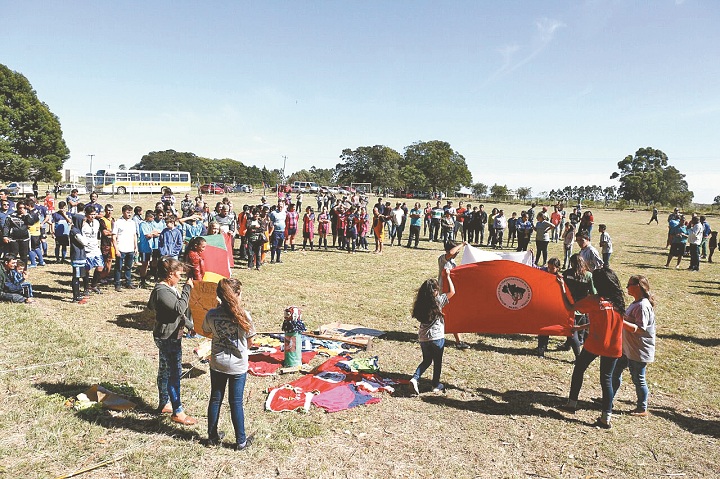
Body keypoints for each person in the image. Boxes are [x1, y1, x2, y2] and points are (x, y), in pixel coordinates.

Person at [558, 268, 626, 429]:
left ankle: (571, 404)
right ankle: (606, 417)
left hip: (595, 344)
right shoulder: (618, 301)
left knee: (579, 369)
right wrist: (583, 326)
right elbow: (606, 321)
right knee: (606, 380)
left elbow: (570, 307)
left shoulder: (594, 300)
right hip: (614, 345)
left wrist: (561, 286)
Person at [203, 278, 256, 450]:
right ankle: (241, 441)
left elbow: (206, 331)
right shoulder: (244, 315)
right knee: (236, 402)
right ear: (238, 295)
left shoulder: (211, 314)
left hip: (217, 362)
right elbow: (250, 342)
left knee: (215, 399)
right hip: (237, 366)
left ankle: (212, 438)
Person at [148, 257, 197, 425]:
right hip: (167, 338)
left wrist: (189, 325)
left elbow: (177, 313)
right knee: (174, 374)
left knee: (164, 370)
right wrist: (187, 289)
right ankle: (178, 411)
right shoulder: (162, 291)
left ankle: (164, 403)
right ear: (170, 274)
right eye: (178, 275)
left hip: (170, 336)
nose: (180, 278)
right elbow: (179, 308)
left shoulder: (169, 288)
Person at [612, 275, 656, 417]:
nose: (627, 287)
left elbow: (640, 328)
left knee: (638, 378)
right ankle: (609, 398)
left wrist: (620, 321)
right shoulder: (636, 303)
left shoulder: (643, 306)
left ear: (638, 286)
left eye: (629, 284)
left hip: (638, 350)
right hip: (627, 347)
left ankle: (642, 408)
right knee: (615, 371)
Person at [409, 274, 455, 395]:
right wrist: (448, 277)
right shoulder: (438, 301)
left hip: (423, 337)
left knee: (427, 360)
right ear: (434, 292)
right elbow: (452, 291)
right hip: (437, 337)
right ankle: (435, 384)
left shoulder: (420, 304)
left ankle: (415, 378)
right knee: (437, 362)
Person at [438, 240, 469, 349]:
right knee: (443, 314)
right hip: (443, 292)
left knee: (450, 314)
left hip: (450, 291)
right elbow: (451, 252)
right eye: (457, 251)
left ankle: (458, 340)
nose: (457, 253)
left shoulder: (452, 262)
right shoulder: (443, 259)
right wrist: (462, 244)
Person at [112, 205, 138, 291]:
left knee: (128, 267)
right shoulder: (118, 222)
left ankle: (128, 282)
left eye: (130, 212)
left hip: (130, 248)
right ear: (123, 212)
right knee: (118, 267)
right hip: (121, 248)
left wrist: (135, 247)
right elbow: (114, 237)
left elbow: (134, 235)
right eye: (128, 212)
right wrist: (116, 249)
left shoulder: (132, 223)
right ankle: (117, 284)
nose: (129, 214)